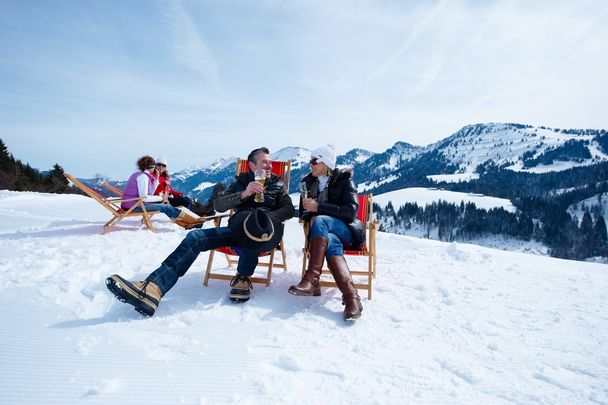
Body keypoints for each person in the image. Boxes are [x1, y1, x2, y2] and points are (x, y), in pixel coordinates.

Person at [106, 147, 294, 316]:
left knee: (251, 235)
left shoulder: (277, 186)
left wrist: (266, 218)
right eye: (265, 162)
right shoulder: (240, 183)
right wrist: (244, 194)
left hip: (264, 234)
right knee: (195, 237)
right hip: (236, 229)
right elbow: (219, 205)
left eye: (270, 162)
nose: (270, 166)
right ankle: (154, 287)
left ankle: (243, 276)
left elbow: (289, 210)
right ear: (252, 166)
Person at [288, 144, 365, 321]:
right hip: (325, 235)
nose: (311, 164)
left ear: (326, 163)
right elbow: (304, 212)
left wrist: (319, 208)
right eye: (311, 161)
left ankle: (312, 279)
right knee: (330, 241)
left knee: (322, 219)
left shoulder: (345, 180)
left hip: (347, 232)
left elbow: (351, 211)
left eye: (315, 160)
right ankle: (352, 299)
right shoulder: (308, 183)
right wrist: (309, 214)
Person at [121, 155, 205, 229]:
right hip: (134, 206)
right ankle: (192, 221)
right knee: (166, 207)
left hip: (133, 204)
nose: (156, 168)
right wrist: (161, 197)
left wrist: (156, 179)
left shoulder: (140, 174)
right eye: (154, 166)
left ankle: (188, 223)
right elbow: (145, 198)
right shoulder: (142, 177)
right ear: (149, 167)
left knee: (168, 206)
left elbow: (149, 193)